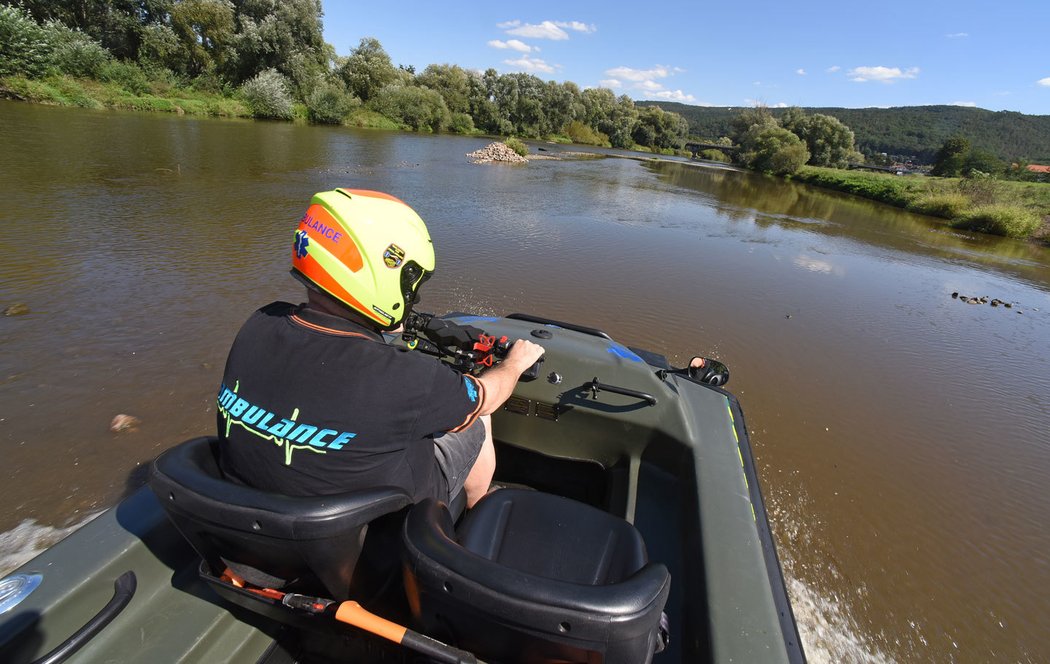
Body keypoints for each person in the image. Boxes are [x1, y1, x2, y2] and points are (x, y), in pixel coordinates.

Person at [216, 188, 544, 510]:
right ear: (382, 272)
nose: (412, 294)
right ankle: (476, 507)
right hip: (381, 536)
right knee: (477, 418)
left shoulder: (258, 323)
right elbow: (488, 394)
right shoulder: (407, 377)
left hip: (262, 525)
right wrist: (515, 363)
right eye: (411, 282)